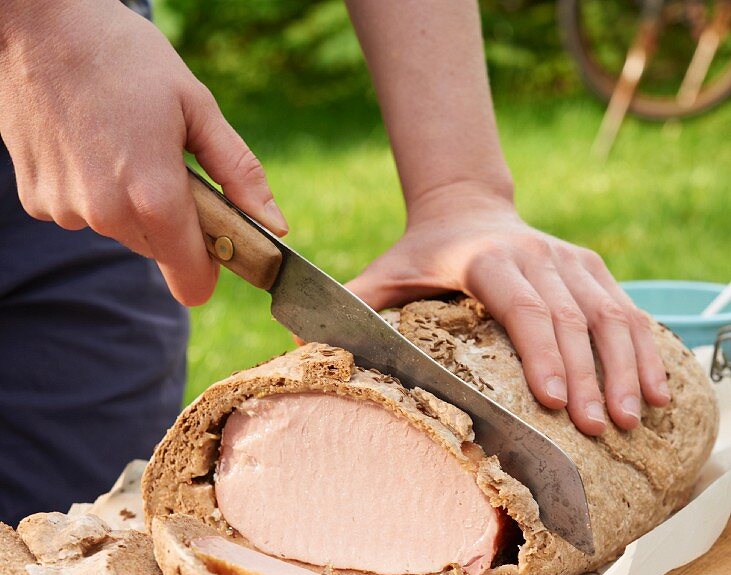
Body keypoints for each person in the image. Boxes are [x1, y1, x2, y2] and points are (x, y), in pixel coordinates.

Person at [0, 0, 671, 526]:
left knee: (74, 543)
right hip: (62, 51)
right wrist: (34, 24)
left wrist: (459, 191)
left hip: (92, 96)